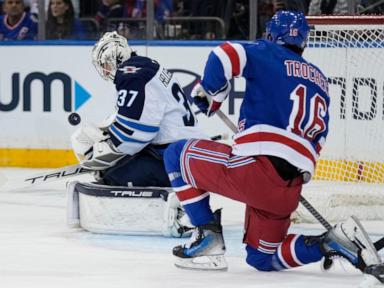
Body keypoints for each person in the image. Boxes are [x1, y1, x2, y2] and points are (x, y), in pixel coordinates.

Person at [162, 10, 383, 279]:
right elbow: (319, 139)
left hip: (254, 171)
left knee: (175, 155)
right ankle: (328, 242)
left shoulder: (267, 52)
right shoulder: (321, 81)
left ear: (272, 34)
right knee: (263, 258)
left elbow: (224, 55)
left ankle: (206, 236)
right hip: (288, 189)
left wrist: (214, 94)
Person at [69, 31, 206, 237]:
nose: (105, 71)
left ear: (113, 57)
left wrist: (103, 153)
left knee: (109, 171)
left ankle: (180, 208)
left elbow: (134, 136)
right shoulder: (147, 66)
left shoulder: (131, 73)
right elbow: (135, 119)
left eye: (104, 64)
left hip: (173, 161)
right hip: (187, 157)